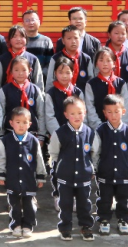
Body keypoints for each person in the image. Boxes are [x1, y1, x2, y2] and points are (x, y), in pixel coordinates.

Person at [90, 94, 128, 236]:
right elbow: (95, 152)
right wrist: (93, 169)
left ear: (123, 111)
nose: (113, 115)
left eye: (116, 111)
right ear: (104, 113)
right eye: (109, 112)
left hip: (123, 173)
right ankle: (104, 220)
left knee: (123, 199)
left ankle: (123, 220)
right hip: (105, 173)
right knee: (104, 199)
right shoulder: (100, 131)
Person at [48, 97, 96, 241]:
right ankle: (65, 228)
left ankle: (86, 226)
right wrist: (57, 169)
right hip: (65, 177)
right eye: (72, 113)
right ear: (66, 115)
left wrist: (92, 169)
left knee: (84, 204)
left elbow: (94, 153)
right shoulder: (59, 133)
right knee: (65, 204)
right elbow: (54, 154)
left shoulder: (90, 133)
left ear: (85, 112)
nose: (77, 116)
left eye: (80, 113)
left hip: (84, 176)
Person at [0, 107, 46, 238]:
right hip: (12, 179)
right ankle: (16, 225)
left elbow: (39, 159)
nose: (21, 125)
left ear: (30, 124)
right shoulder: (6, 141)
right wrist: (1, 174)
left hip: (28, 179)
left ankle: (28, 225)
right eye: (18, 122)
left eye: (25, 122)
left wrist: (40, 176)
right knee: (14, 205)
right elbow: (1, 158)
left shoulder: (33, 141)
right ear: (11, 123)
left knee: (29, 204)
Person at [83, 48, 128, 129]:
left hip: (119, 127)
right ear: (96, 63)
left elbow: (125, 106)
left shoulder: (121, 83)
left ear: (114, 63)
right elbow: (90, 107)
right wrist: (99, 127)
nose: (105, 64)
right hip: (98, 127)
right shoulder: (91, 84)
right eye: (101, 60)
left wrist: (121, 126)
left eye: (108, 60)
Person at [0, 56, 45, 137]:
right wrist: (0, 134)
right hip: (10, 133)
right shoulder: (4, 90)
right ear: (11, 72)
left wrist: (41, 134)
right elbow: (1, 113)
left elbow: (41, 113)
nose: (20, 73)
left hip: (32, 133)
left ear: (30, 71)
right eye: (16, 70)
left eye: (24, 70)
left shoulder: (35, 90)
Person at [0, 25, 44, 92]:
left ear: (26, 39)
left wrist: (39, 95)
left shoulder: (33, 59)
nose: (18, 39)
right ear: (9, 40)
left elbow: (39, 81)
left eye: (22, 36)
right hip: (6, 94)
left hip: (29, 94)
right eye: (14, 36)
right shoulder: (2, 59)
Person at [43, 56, 84, 137]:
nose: (64, 76)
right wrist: (60, 135)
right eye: (60, 73)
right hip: (58, 136)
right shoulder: (50, 94)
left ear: (73, 73)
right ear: (55, 73)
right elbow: (50, 117)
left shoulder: (78, 93)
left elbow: (83, 114)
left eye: (67, 73)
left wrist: (78, 131)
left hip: (77, 134)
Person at [46, 26, 92, 91]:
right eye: (69, 38)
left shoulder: (86, 59)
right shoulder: (55, 58)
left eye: (76, 38)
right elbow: (50, 81)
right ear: (63, 41)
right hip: (60, 95)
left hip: (81, 95)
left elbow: (91, 81)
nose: (73, 41)